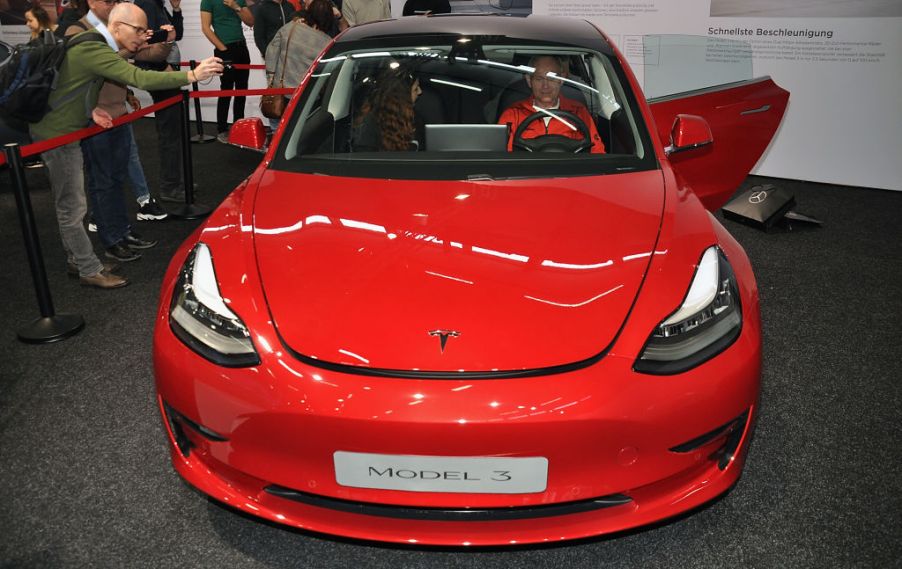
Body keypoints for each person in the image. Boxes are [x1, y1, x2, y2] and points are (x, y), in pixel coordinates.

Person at [30, 2, 222, 288]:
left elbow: (79, 79)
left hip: (65, 127)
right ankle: (87, 268)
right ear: (116, 27)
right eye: (138, 29)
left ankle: (78, 258)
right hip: (57, 135)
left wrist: (89, 110)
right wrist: (192, 75)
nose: (143, 34)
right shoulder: (92, 46)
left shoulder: (93, 45)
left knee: (76, 200)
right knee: (72, 206)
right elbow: (138, 77)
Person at [66, 0, 160, 263]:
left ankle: (122, 231)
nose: (115, 4)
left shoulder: (107, 31)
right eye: (110, 1)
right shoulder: (78, 30)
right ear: (93, 2)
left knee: (117, 178)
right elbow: (101, 67)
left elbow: (117, 71)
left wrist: (128, 93)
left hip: (118, 115)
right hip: (97, 120)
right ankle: (111, 238)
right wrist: (129, 47)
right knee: (102, 181)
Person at [133, 0, 187, 205]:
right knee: (169, 132)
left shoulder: (158, 5)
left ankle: (176, 182)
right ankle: (170, 186)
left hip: (165, 73)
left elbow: (176, 35)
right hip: (159, 73)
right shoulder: (146, 3)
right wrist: (164, 65)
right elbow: (143, 40)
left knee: (173, 130)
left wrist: (176, 9)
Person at [497, 55, 605, 154]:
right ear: (529, 80)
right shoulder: (513, 114)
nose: (545, 86)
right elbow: (502, 158)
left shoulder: (579, 112)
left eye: (552, 78)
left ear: (561, 80)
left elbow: (597, 153)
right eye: (539, 79)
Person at [263, 0, 343, 129]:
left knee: (279, 130)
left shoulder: (291, 27)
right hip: (308, 97)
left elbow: (271, 53)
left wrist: (271, 80)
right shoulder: (327, 43)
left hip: (282, 91)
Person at [200, 0, 254, 142]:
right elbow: (205, 28)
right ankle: (222, 129)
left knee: (242, 90)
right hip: (225, 50)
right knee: (226, 89)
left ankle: (239, 127)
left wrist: (236, 6)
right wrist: (223, 49)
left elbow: (250, 22)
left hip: (241, 47)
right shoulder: (207, 1)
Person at [352, 67, 422, 151]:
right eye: (415, 89)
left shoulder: (414, 119)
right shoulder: (369, 127)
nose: (420, 91)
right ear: (401, 97)